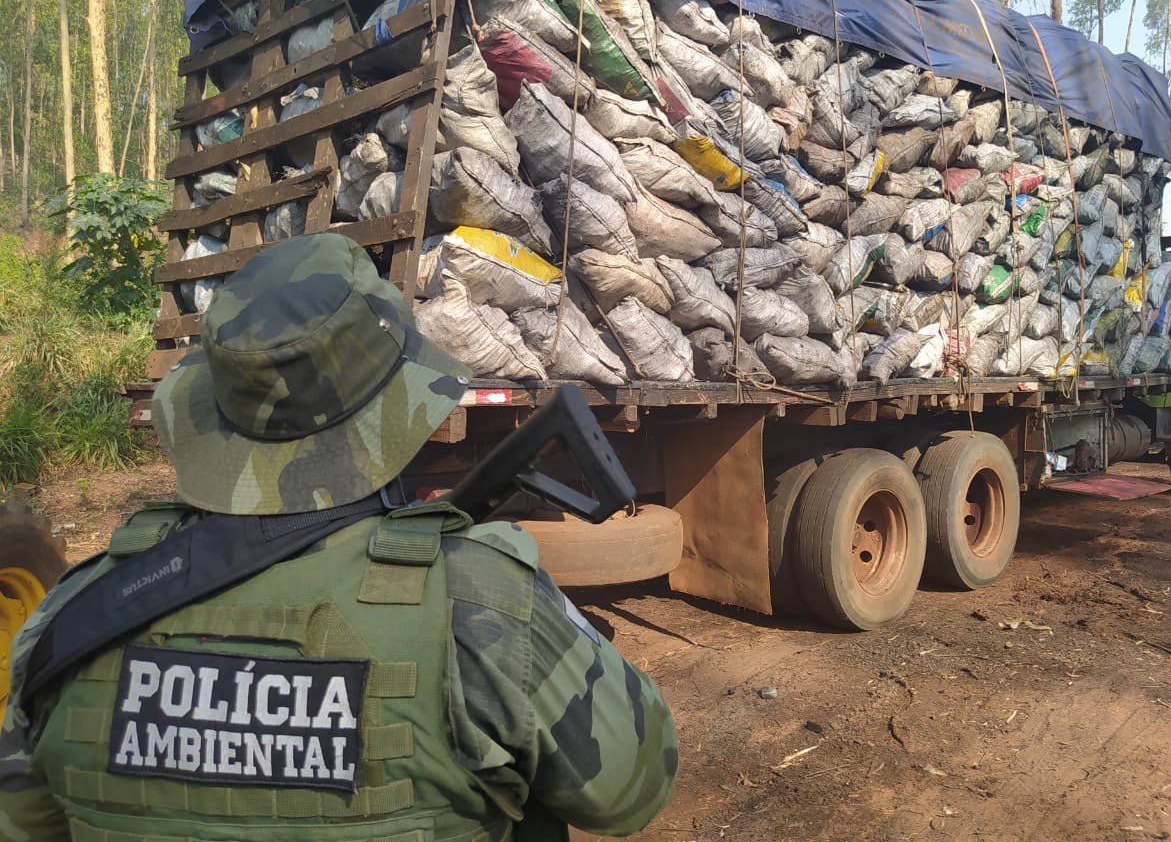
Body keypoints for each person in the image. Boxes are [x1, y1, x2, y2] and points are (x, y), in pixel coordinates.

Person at [1, 233, 677, 841]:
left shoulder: (70, 616)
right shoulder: (482, 606)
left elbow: (26, 819)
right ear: (397, 408)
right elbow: (634, 788)